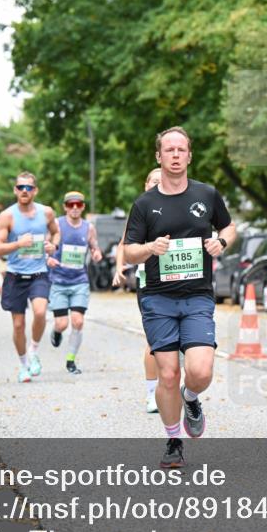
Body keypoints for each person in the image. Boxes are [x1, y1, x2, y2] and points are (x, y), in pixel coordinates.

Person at [124, 127, 235, 468]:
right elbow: (129, 251)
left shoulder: (206, 194)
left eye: (181, 150)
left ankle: (191, 397)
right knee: (169, 373)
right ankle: (174, 440)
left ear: (189, 155)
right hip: (157, 298)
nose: (175, 155)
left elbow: (229, 227)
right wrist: (150, 248)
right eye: (169, 150)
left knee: (199, 371)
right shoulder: (144, 204)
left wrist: (221, 242)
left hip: (197, 295)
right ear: (159, 156)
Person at [0, 171, 60, 383]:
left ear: (35, 191)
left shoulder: (46, 212)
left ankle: (34, 350)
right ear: (15, 190)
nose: (24, 191)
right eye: (20, 187)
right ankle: (23, 366)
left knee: (40, 312)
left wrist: (53, 245)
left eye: (28, 187)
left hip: (39, 273)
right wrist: (18, 244)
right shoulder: (7, 216)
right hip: (15, 275)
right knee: (18, 325)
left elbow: (56, 232)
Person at [113, 167, 163, 413]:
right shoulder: (140, 210)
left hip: (178, 282)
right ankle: (152, 394)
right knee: (154, 341)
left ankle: (173, 386)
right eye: (153, 181)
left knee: (180, 343)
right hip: (148, 282)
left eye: (161, 181)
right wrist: (118, 267)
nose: (156, 184)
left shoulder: (178, 205)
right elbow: (124, 244)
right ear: (145, 184)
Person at [47, 191, 102, 374]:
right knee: (62, 324)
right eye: (71, 204)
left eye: (78, 204)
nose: (75, 208)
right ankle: (56, 331)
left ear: (83, 207)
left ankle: (71, 361)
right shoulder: (57, 224)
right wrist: (48, 258)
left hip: (79, 281)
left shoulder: (89, 227)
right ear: (65, 207)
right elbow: (45, 246)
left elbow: (94, 246)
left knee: (78, 322)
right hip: (59, 281)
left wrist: (96, 253)